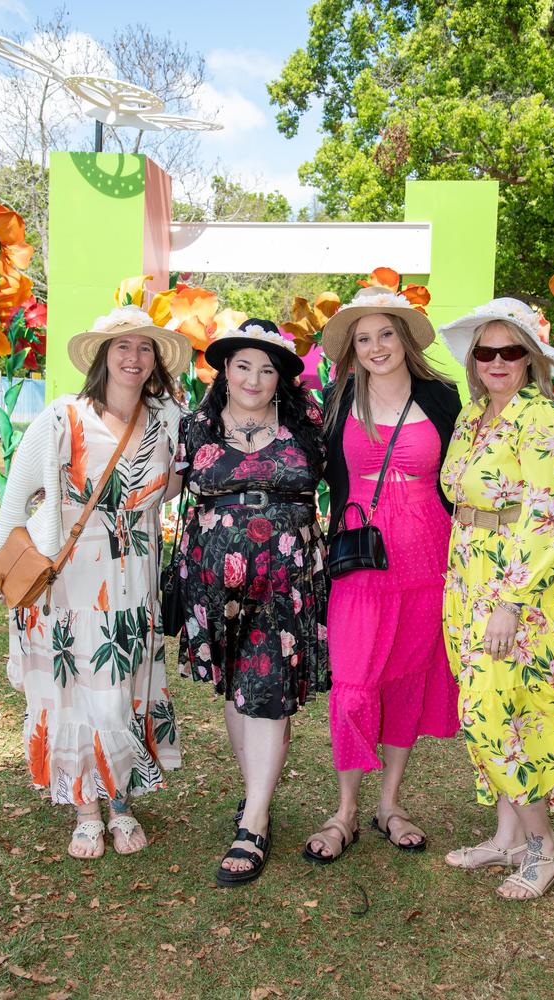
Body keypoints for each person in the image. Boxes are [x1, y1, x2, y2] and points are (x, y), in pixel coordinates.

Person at [0, 305, 191, 859]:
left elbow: (172, 485)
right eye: (121, 347)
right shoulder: (63, 416)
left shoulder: (169, 420)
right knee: (75, 688)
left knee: (123, 684)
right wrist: (3, 562)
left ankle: (121, 802)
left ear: (155, 361)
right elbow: (17, 496)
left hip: (132, 575)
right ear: (103, 357)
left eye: (143, 348)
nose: (133, 357)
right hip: (69, 574)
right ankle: (86, 808)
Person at [439, 297, 554, 900]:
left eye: (509, 351)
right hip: (467, 578)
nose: (495, 361)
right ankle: (508, 836)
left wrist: (511, 600)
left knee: (494, 710)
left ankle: (545, 843)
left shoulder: (545, 421)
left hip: (520, 587)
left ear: (530, 360)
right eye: (484, 351)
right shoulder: (472, 417)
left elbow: (551, 517)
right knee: (495, 708)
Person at [303, 285, 461, 865]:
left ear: (404, 339)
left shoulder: (442, 398)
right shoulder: (340, 397)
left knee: (407, 677)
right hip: (361, 556)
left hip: (429, 555)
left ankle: (389, 804)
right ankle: (344, 810)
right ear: (353, 349)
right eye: (363, 338)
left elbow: (462, 472)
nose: (376, 347)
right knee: (353, 683)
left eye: (385, 334)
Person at [175, 318, 328, 887]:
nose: (254, 378)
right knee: (238, 684)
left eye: (267, 368)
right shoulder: (196, 424)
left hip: (286, 571)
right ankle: (253, 796)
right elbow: (162, 485)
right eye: (243, 365)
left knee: (267, 686)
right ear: (225, 371)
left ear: (281, 377)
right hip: (212, 576)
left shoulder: (307, 420)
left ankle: (255, 822)